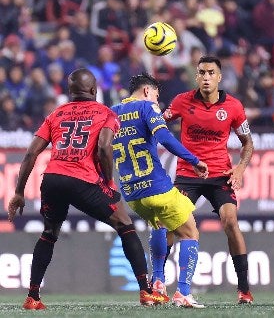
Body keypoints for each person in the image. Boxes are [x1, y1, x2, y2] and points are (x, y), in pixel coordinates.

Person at [7, 69, 169, 309]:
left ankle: (32, 297)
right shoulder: (106, 112)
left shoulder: (56, 114)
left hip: (52, 179)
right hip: (83, 179)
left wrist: (19, 192)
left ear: (70, 92)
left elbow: (31, 153)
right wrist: (109, 182)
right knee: (124, 225)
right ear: (94, 91)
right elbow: (104, 147)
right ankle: (146, 291)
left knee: (49, 233)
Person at [160, 55, 255, 304]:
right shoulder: (182, 101)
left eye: (211, 73)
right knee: (169, 223)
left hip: (220, 175)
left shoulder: (233, 107)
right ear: (196, 76)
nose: (206, 77)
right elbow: (157, 123)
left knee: (230, 220)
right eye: (202, 72)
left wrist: (240, 168)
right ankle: (157, 283)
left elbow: (248, 143)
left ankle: (244, 290)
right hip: (188, 174)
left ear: (219, 77)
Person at [111, 74, 209, 308]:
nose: (158, 100)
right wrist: (194, 160)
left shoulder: (111, 111)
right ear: (147, 91)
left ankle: (157, 283)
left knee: (160, 225)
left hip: (132, 194)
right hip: (156, 185)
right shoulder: (147, 107)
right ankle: (183, 292)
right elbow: (164, 137)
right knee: (190, 232)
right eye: (156, 94)